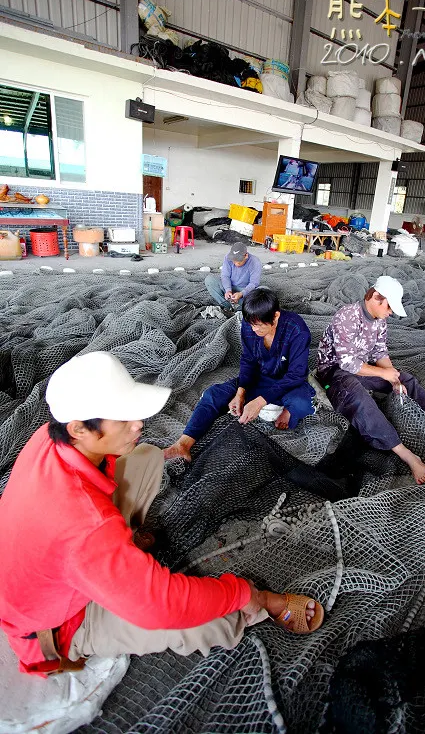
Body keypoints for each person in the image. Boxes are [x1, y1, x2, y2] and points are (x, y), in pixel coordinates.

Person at [0, 352, 323, 676]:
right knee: (197, 623)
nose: (138, 423)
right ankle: (261, 606)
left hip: (55, 565)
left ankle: (124, 554)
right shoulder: (87, 527)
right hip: (59, 625)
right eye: (123, 418)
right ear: (79, 429)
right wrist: (244, 593)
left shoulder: (49, 435)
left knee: (144, 457)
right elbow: (163, 605)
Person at [317, 276, 425, 485]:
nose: (391, 312)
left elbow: (380, 352)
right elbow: (347, 363)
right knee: (359, 398)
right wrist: (382, 374)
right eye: (389, 306)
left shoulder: (380, 320)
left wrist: (392, 376)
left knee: (406, 379)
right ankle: (407, 455)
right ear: (376, 297)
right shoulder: (348, 315)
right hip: (334, 373)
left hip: (360, 369)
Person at [166, 289, 316, 462]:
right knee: (213, 395)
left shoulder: (297, 329)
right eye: (251, 324)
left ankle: (287, 409)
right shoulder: (249, 324)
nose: (254, 329)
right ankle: (183, 444)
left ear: (275, 316)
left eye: (259, 325)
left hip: (289, 383)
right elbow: (248, 360)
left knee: (301, 404)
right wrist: (241, 392)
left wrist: (260, 402)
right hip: (261, 379)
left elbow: (296, 374)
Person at [205, 241, 262, 313]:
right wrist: (228, 290)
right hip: (230, 288)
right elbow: (225, 275)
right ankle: (227, 306)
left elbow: (254, 283)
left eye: (238, 261)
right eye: (234, 261)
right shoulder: (228, 257)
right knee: (209, 280)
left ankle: (242, 307)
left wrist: (241, 294)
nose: (235, 263)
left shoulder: (255, 261)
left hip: (245, 292)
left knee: (263, 290)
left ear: (246, 256)